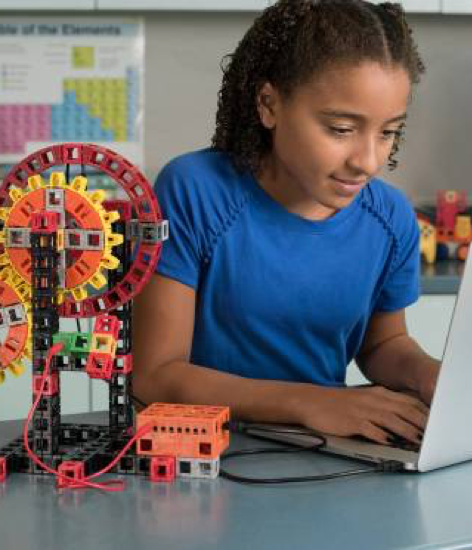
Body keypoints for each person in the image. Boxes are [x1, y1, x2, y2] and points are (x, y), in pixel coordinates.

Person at [133, 0, 439, 446]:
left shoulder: (390, 219)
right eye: (340, 129)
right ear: (269, 105)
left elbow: (381, 346)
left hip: (329, 452)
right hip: (203, 455)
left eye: (388, 131)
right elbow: (155, 376)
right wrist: (312, 402)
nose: (368, 161)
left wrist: (430, 374)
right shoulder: (195, 191)